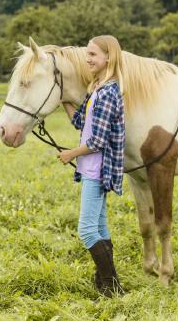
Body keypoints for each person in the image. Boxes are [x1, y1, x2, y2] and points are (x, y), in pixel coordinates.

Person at [58, 35, 125, 297]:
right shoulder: (97, 88)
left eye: (94, 54)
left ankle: (110, 286)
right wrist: (64, 98)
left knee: (86, 231)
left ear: (109, 57)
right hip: (90, 168)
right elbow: (80, 122)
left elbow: (97, 141)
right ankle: (110, 284)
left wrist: (70, 154)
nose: (88, 59)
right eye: (87, 54)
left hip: (97, 169)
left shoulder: (108, 92)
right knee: (100, 227)